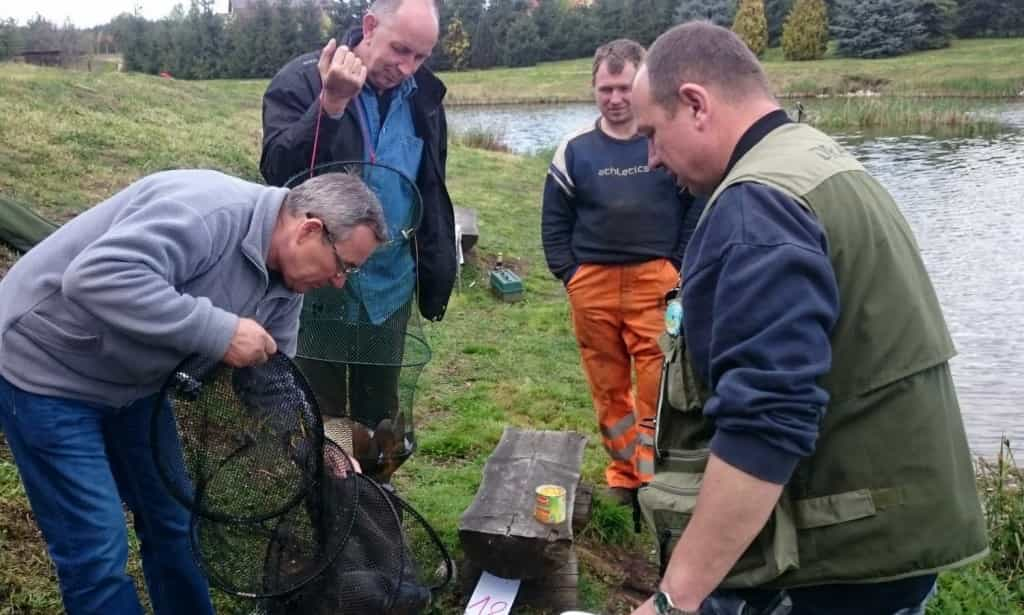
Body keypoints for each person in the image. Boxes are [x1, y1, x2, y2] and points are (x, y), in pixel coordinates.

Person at [629, 22, 987, 615]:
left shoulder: (756, 207)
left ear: (695, 104)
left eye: (652, 134)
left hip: (832, 567)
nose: (649, 159)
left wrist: (674, 598)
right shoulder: (822, 161)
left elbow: (767, 421)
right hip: (888, 543)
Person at [0, 169, 386, 615]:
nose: (341, 281)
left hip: (135, 388)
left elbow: (273, 383)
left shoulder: (288, 280)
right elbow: (95, 276)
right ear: (310, 229)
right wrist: (220, 331)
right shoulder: (206, 213)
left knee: (175, 522)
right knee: (97, 550)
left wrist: (319, 447)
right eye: (344, 265)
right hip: (47, 369)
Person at [260, 0, 455, 475]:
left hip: (388, 290)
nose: (408, 67)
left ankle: (377, 504)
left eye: (421, 57)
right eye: (400, 50)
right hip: (317, 287)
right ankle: (319, 509)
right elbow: (278, 172)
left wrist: (436, 270)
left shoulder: (423, 96)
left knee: (379, 415)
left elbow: (431, 186)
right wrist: (330, 105)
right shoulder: (304, 78)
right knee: (315, 415)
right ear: (369, 27)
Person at [542, 39, 703, 506]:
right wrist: (568, 273)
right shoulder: (574, 150)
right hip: (590, 283)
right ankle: (623, 474)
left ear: (643, 84)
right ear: (593, 88)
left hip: (656, 284)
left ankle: (651, 475)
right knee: (609, 388)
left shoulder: (666, 141)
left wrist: (676, 265)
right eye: (605, 89)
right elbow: (554, 221)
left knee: (657, 387)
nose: (615, 99)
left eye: (624, 87)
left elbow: (694, 205)